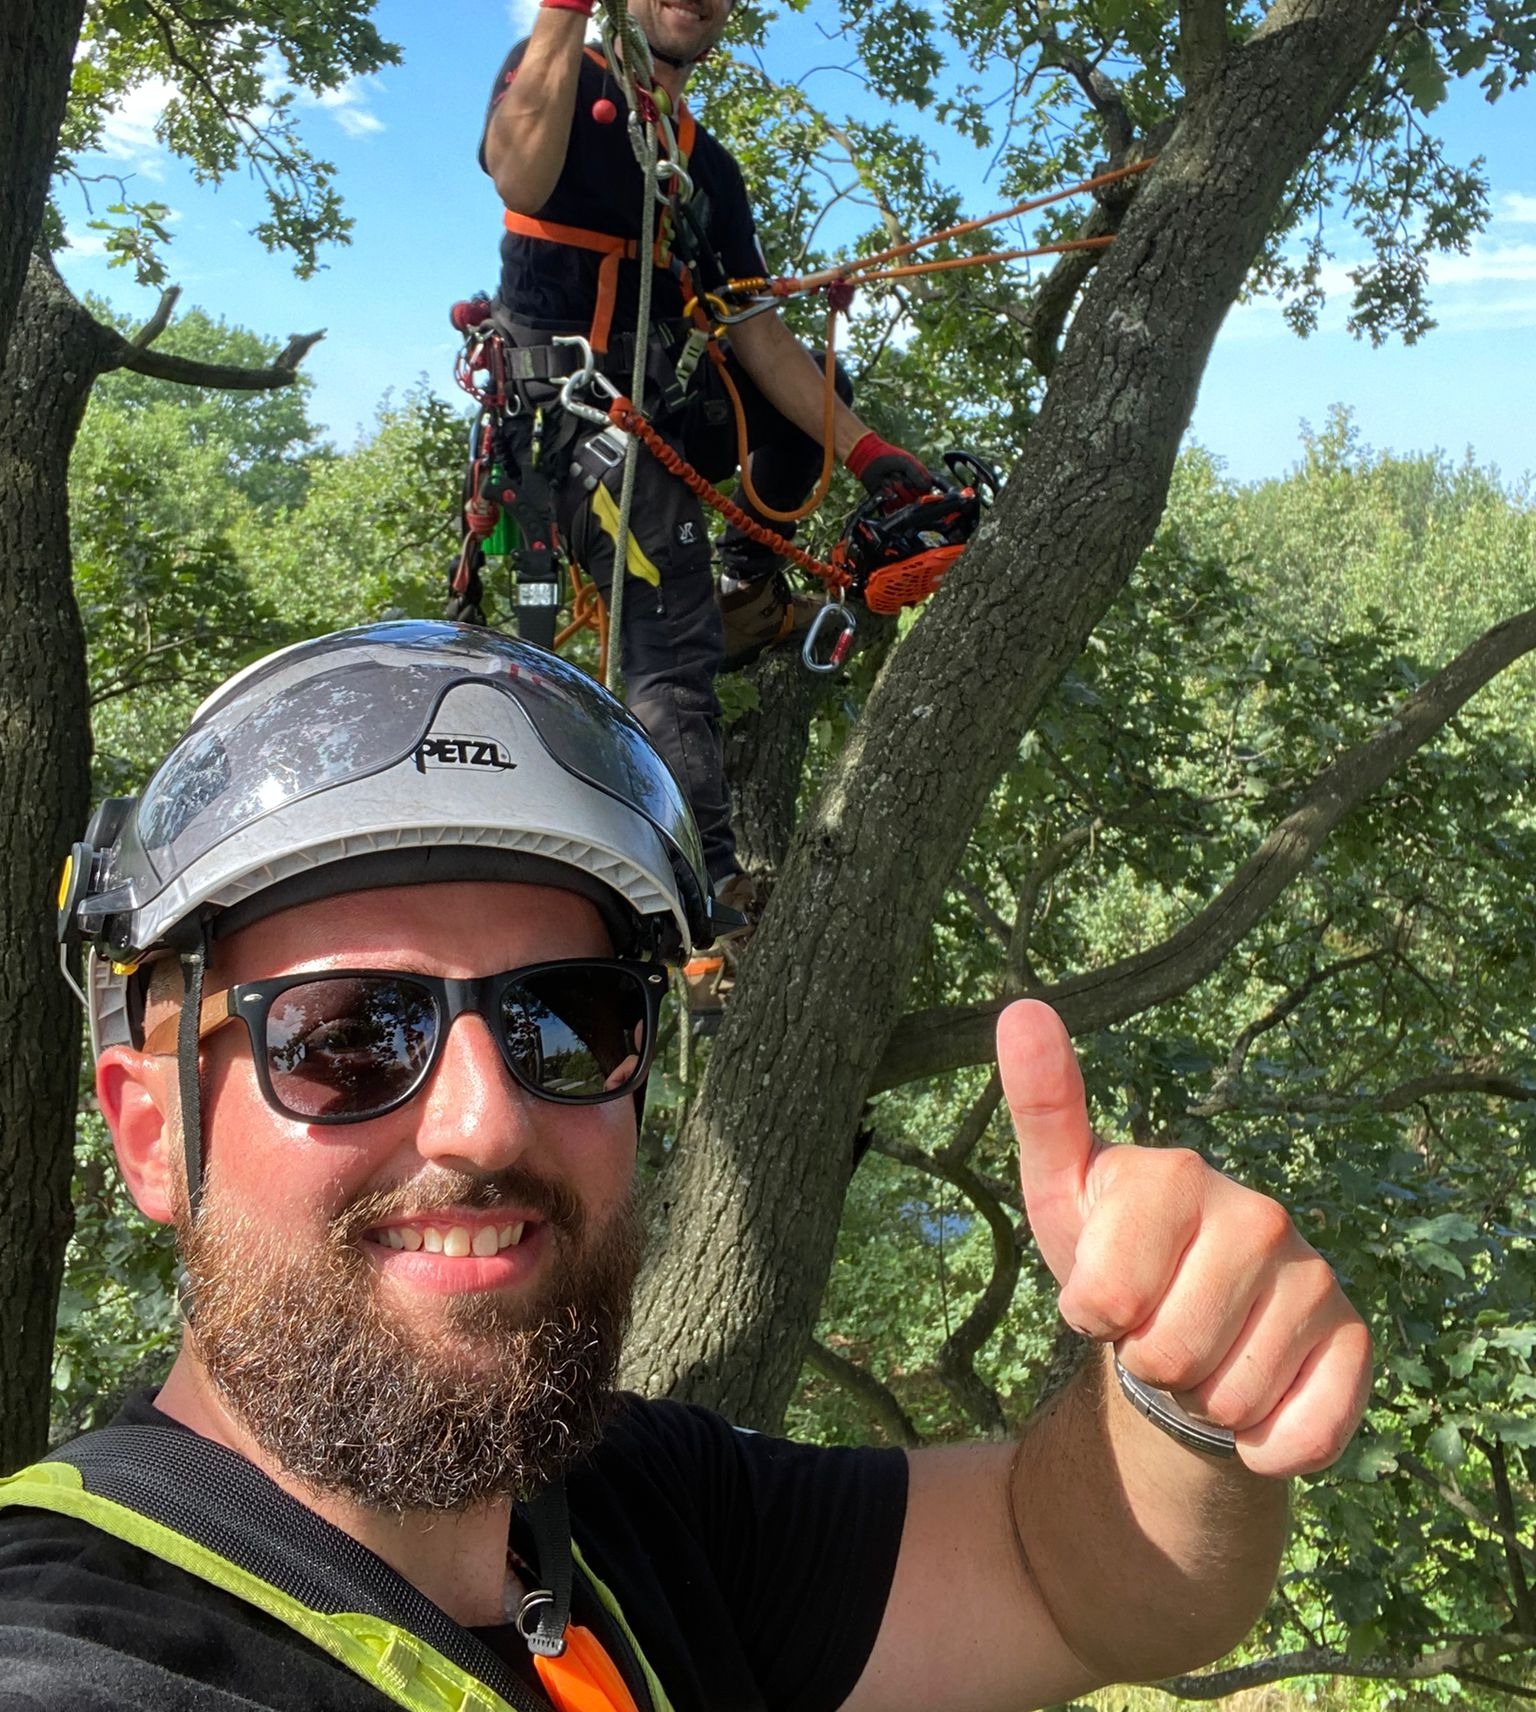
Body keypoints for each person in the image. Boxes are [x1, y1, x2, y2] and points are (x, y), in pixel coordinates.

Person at [3, 621, 1374, 1712]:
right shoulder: (78, 1638)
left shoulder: (637, 1515)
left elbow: (1066, 1578)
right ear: (151, 1135)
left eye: (569, 1019)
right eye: (351, 1037)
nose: (483, 1125)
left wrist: (1176, 1398)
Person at [478, 0, 935, 901]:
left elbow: (762, 343)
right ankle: (702, 892)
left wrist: (879, 461)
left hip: (656, 409)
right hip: (566, 413)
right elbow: (517, 168)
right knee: (667, 651)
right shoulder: (564, 80)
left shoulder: (704, 170)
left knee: (813, 371)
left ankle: (752, 587)